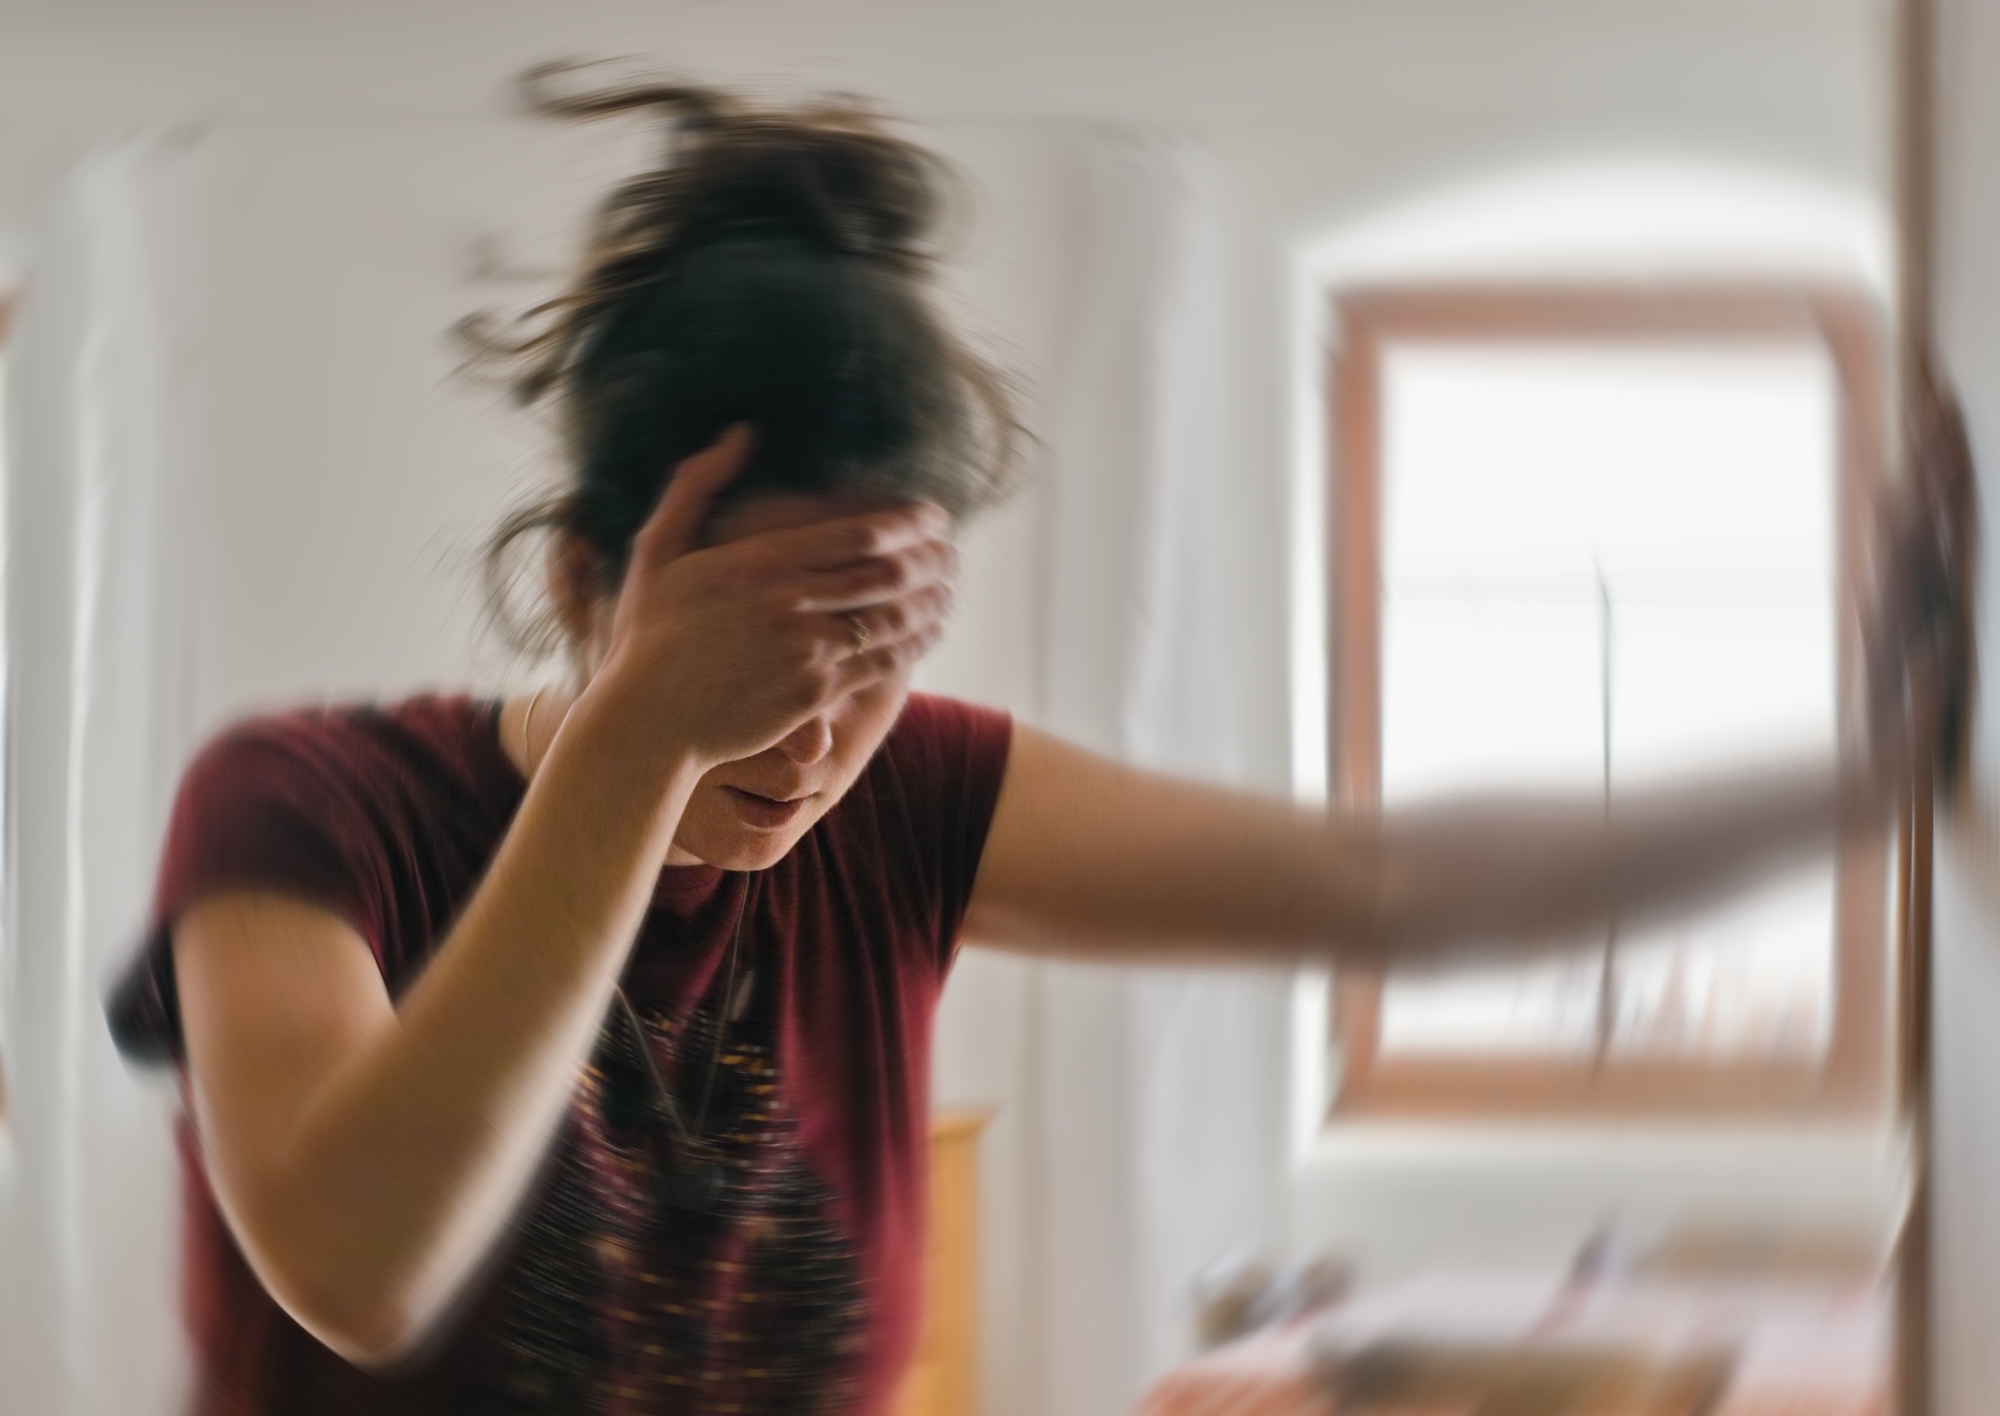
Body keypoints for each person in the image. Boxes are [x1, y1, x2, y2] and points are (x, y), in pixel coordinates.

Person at [106, 68, 1968, 1416]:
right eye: (748, 640)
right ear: (592, 582)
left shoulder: (914, 803)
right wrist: (640, 745)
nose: (810, 730)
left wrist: (1867, 769)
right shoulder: (304, 806)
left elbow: (1394, 882)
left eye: (871, 649)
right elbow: (360, 1273)